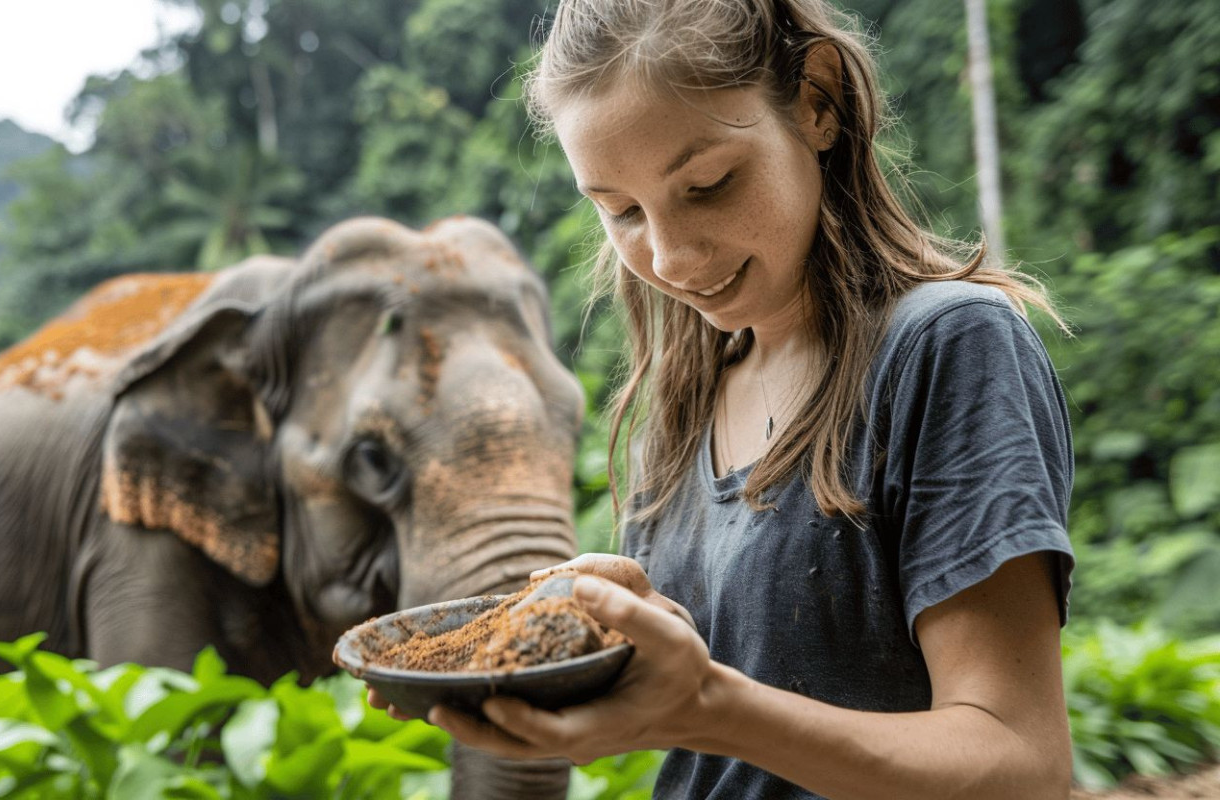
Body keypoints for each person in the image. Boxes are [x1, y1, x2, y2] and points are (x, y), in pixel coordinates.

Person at [369, 0, 1076, 797]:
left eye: (706, 184)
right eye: (622, 211)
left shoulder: (945, 346)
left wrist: (708, 705)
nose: (670, 257)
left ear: (817, 102)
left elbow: (1022, 767)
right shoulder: (679, 404)